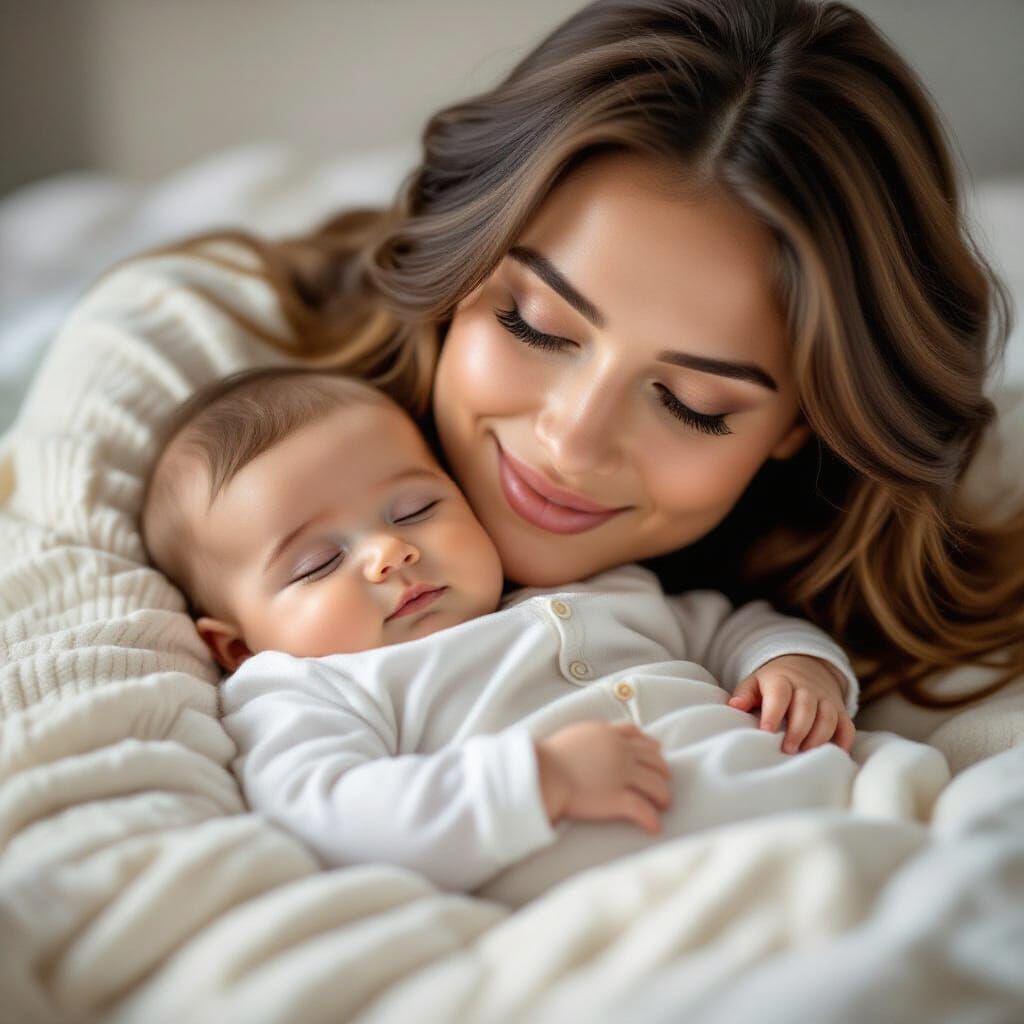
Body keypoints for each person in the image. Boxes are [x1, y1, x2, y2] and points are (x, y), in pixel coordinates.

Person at [153, 0, 1021, 727]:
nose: (571, 443)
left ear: (808, 422)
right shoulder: (191, 342)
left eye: (692, 402)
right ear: (464, 272)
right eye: (534, 327)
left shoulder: (835, 576)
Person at [138, 365, 937, 909]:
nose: (390, 553)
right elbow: (326, 811)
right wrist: (533, 781)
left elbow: (730, 628)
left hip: (838, 814)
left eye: (414, 509)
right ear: (238, 646)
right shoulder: (312, 688)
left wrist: (797, 667)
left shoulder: (600, 590)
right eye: (317, 562)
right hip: (647, 899)